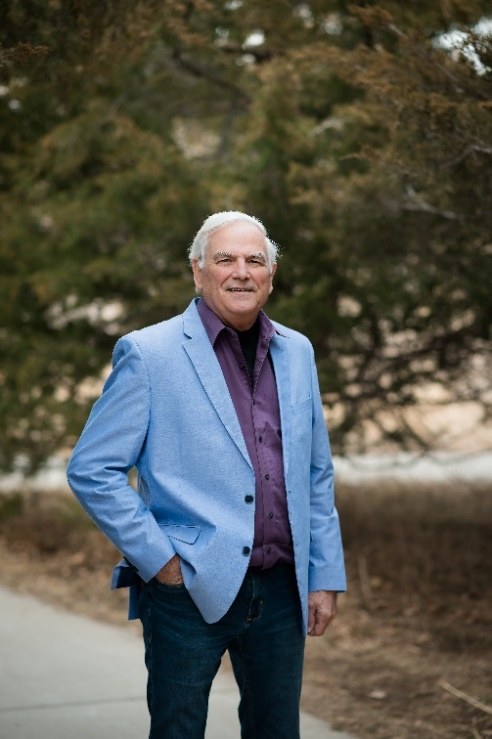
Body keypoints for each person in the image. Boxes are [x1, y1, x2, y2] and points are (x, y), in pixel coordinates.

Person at [67, 211, 346, 739]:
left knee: (276, 730)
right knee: (178, 730)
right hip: (187, 590)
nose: (241, 272)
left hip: (282, 590)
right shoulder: (148, 353)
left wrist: (325, 574)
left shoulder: (298, 351)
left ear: (271, 275)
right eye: (225, 259)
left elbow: (315, 471)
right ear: (198, 271)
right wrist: (162, 562)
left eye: (254, 260)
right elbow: (91, 470)